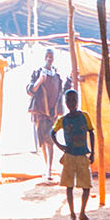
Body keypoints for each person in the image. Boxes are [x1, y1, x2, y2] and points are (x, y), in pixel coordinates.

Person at [26, 48, 68, 181]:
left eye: (51, 56)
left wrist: (71, 79)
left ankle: (49, 169)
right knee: (43, 141)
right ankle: (47, 167)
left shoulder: (57, 76)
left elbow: (62, 91)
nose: (49, 58)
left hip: (52, 113)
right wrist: (40, 80)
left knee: (50, 140)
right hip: (40, 112)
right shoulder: (38, 73)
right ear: (44, 58)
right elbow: (30, 91)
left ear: (54, 58)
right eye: (47, 56)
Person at [54, 87, 95, 220]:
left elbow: (91, 132)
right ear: (65, 102)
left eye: (74, 100)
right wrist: (60, 146)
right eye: (69, 100)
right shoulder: (63, 120)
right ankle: (72, 214)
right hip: (70, 156)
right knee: (69, 186)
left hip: (83, 155)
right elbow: (52, 133)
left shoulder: (84, 116)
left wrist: (92, 152)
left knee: (86, 186)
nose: (71, 103)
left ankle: (82, 212)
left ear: (77, 101)